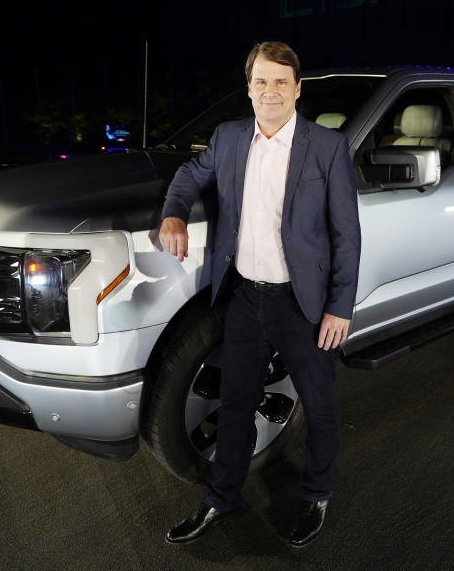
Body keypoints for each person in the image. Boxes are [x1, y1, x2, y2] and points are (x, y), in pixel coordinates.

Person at [158, 41, 361, 547]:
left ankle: (315, 497)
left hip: (304, 306)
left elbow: (346, 235)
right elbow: (188, 175)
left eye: (280, 82)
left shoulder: (327, 146)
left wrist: (340, 306)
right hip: (246, 298)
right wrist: (173, 212)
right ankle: (221, 499)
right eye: (260, 81)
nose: (270, 91)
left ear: (297, 89)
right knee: (234, 403)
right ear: (248, 89)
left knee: (318, 406)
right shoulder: (228, 139)